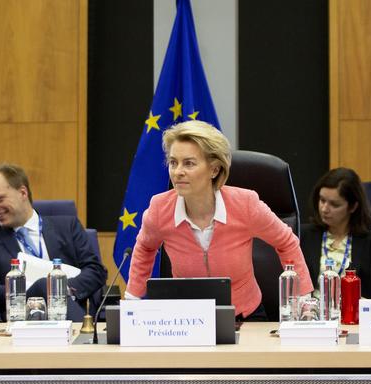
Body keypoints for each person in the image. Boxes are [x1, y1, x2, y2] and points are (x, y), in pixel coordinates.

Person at [125, 120, 313, 321]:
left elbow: (286, 241)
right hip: (184, 319)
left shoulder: (245, 204)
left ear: (214, 170)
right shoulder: (160, 209)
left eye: (189, 163)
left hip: (244, 315)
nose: (177, 171)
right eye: (173, 162)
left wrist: (304, 301)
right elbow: (145, 247)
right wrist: (132, 301)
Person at [0, 164, 107, 321]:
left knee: (50, 285)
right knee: (44, 284)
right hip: (20, 318)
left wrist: (62, 289)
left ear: (23, 192)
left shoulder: (68, 227)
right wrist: (34, 288)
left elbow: (96, 271)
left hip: (69, 310)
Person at [301, 168, 371, 299]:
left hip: (353, 315)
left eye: (334, 204)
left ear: (353, 207)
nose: (324, 209)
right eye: (322, 200)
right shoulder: (304, 235)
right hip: (311, 314)